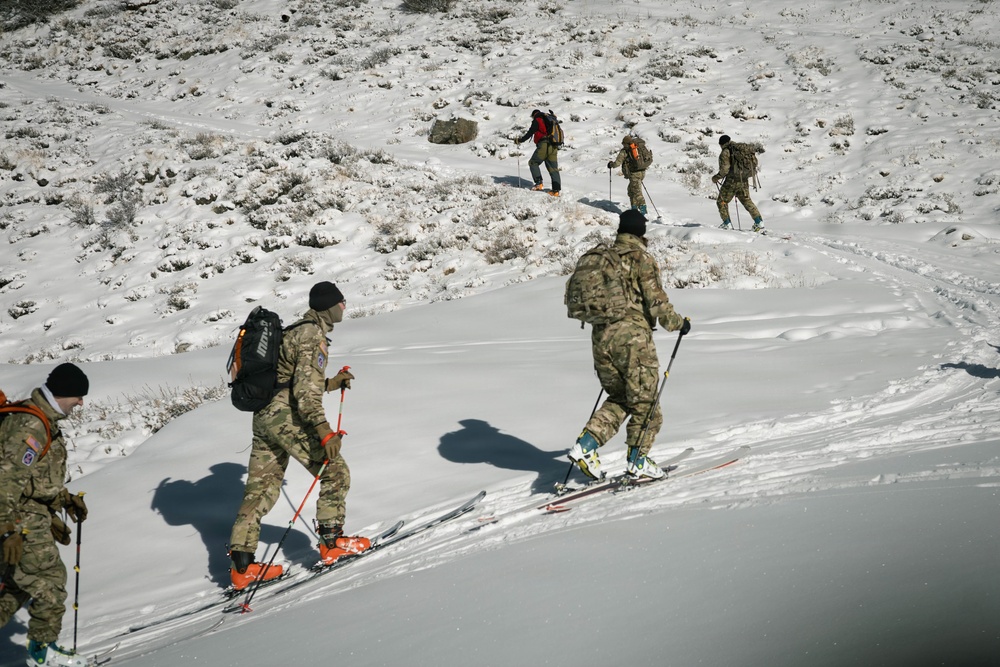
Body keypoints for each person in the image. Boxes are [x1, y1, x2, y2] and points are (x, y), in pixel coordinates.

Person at [227, 281, 366, 591]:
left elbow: (290, 380)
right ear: (329, 306)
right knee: (335, 470)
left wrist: (331, 383)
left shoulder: (295, 330)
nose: (344, 306)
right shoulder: (312, 335)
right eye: (341, 302)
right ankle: (332, 541)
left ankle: (242, 567)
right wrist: (324, 432)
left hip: (264, 416)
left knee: (260, 489)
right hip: (284, 416)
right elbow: (304, 393)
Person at [568, 210, 690, 481]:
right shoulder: (641, 259)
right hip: (632, 342)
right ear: (640, 232)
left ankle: (585, 447)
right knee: (647, 405)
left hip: (601, 341)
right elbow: (656, 302)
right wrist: (679, 324)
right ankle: (638, 460)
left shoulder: (603, 259)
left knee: (622, 398)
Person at [1, 363, 90, 667]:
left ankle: (44, 647)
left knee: (17, 585)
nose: (81, 402)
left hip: (29, 514)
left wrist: (63, 498)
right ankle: (44, 651)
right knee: (51, 581)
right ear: (63, 392)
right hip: (20, 519)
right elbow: (6, 482)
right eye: (78, 396)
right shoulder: (31, 426)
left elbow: (34, 478)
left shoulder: (44, 421)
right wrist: (7, 530)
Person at [711, 135, 764, 232]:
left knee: (721, 202)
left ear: (721, 144)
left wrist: (716, 178)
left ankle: (727, 224)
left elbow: (724, 170)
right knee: (747, 201)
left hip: (731, 181)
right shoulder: (740, 150)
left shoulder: (726, 152)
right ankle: (759, 222)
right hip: (743, 180)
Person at [514, 109, 561, 197]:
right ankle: (556, 191)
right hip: (554, 145)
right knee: (553, 168)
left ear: (534, 115)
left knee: (533, 162)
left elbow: (530, 132)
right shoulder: (550, 119)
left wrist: (520, 140)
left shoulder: (538, 120)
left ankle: (539, 183)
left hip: (544, 144)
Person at [608, 135, 649, 215]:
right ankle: (634, 208)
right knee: (631, 190)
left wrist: (611, 165)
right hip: (642, 172)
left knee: (637, 192)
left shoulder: (625, 151)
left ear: (625, 144)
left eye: (623, 144)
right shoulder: (637, 148)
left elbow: (617, 163)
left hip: (634, 174)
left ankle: (643, 209)